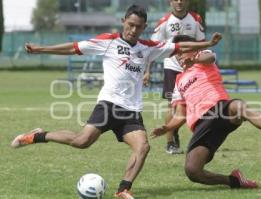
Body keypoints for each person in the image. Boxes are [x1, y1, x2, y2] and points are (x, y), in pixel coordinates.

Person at [11, 5, 222, 199]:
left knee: (143, 147)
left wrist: (207, 43)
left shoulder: (148, 47)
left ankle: (123, 189)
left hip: (131, 111)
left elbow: (178, 45)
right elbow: (73, 48)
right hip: (109, 104)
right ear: (123, 21)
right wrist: (41, 49)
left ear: (144, 27)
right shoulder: (108, 41)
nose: (133, 30)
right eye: (130, 25)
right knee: (81, 142)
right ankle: (36, 136)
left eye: (138, 27)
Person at [151, 35, 261, 189]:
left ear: (195, 49)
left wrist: (196, 60)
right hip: (202, 126)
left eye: (182, 51)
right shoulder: (178, 81)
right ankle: (235, 181)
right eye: (176, 53)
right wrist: (167, 128)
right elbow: (180, 114)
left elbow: (210, 57)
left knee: (238, 106)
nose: (178, 55)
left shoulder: (203, 58)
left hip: (220, 109)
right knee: (192, 171)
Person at [145, 0, 205, 154]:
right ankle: (171, 142)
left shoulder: (196, 19)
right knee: (171, 105)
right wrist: (147, 71)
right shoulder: (164, 22)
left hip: (192, 68)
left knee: (198, 104)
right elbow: (153, 47)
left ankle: (200, 140)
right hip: (172, 67)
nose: (179, 2)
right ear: (170, 2)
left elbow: (202, 44)